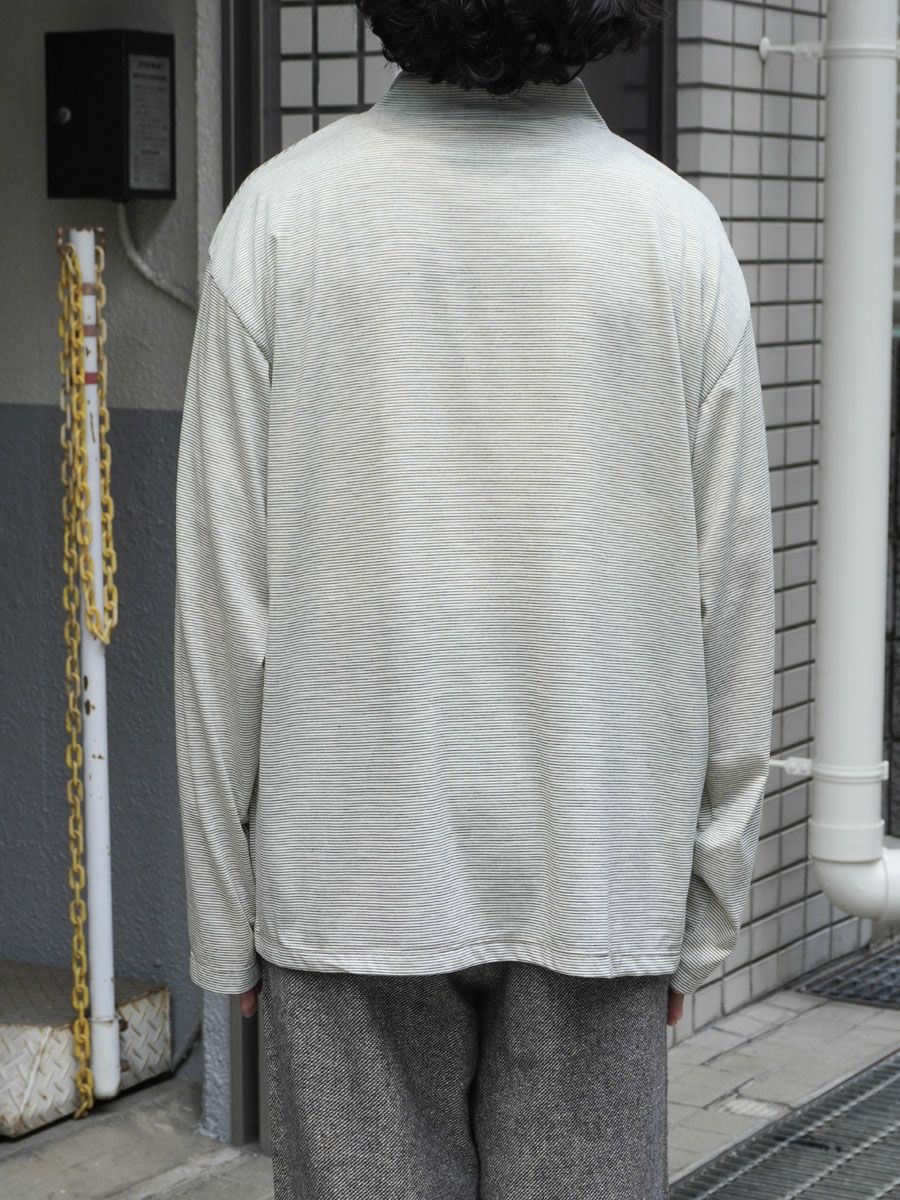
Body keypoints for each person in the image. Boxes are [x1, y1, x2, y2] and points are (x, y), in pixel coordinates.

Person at [173, 1, 776, 1196]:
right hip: (599, 858)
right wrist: (703, 905)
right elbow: (736, 602)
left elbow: (220, 608)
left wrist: (221, 919)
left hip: (345, 866)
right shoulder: (674, 235)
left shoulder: (279, 221)